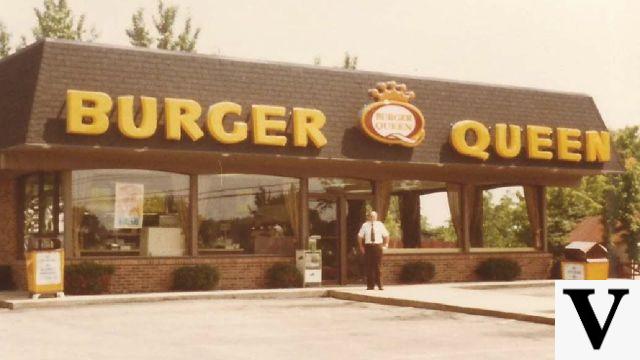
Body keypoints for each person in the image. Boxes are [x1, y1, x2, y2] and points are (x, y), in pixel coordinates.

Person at [358, 211, 389, 290]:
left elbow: (386, 235)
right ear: (368, 217)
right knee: (369, 266)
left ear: (376, 217)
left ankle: (380, 285)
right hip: (368, 247)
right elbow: (360, 236)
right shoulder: (365, 225)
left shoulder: (380, 225)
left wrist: (386, 244)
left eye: (373, 216)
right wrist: (361, 246)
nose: (372, 218)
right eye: (370, 216)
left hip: (377, 246)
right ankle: (370, 286)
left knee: (378, 266)